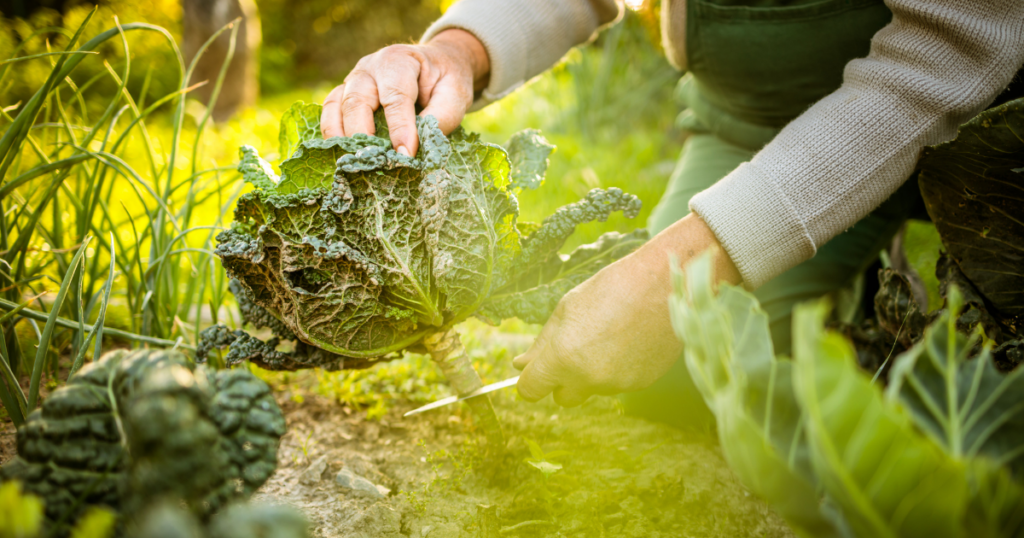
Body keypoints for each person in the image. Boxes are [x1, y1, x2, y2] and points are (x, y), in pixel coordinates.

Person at [321, 0, 1024, 428]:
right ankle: (870, 285)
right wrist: (457, 48)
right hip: (759, 128)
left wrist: (684, 266)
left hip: (987, 123)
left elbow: (958, 46)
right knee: (679, 379)